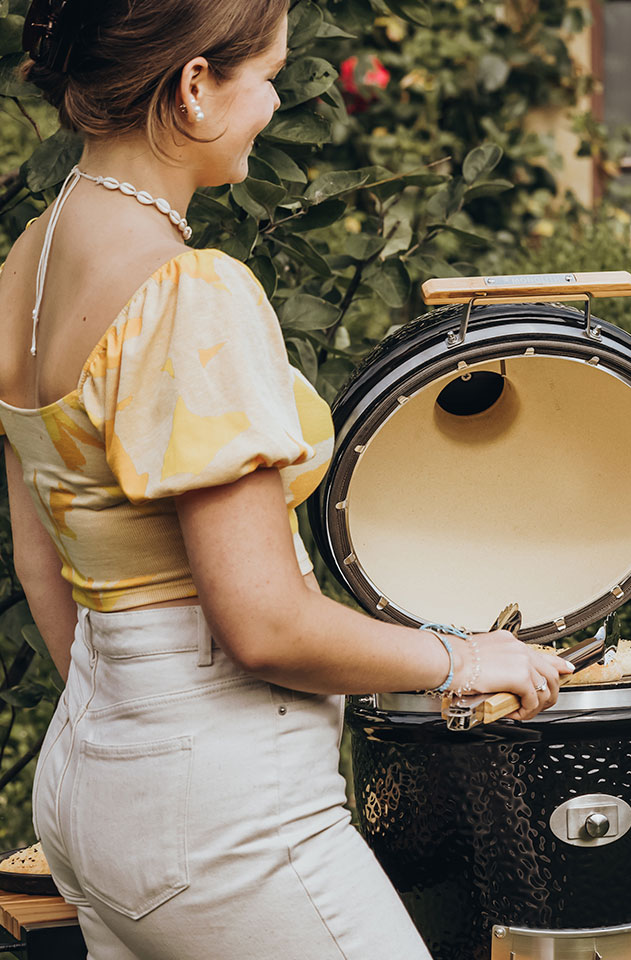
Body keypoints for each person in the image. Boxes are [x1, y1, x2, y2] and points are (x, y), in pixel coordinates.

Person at [0, 2, 573, 957]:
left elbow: (39, 563)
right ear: (194, 86)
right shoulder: (189, 291)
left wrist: (133, 736)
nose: (274, 103)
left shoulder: (26, 264)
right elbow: (262, 623)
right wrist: (465, 659)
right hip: (225, 817)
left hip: (88, 786)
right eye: (267, 76)